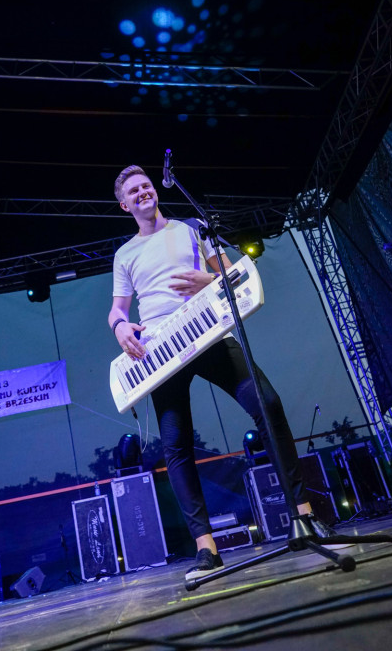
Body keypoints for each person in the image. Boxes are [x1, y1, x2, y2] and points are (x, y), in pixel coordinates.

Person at [108, 164, 339, 581]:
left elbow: (231, 274)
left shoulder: (190, 228)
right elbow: (118, 310)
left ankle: (304, 515)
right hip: (162, 349)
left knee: (267, 404)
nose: (143, 191)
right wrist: (121, 327)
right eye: (134, 191)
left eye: (146, 185)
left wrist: (206, 280)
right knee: (177, 446)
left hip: (208, 329)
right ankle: (206, 548)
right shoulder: (125, 255)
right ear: (124, 205)